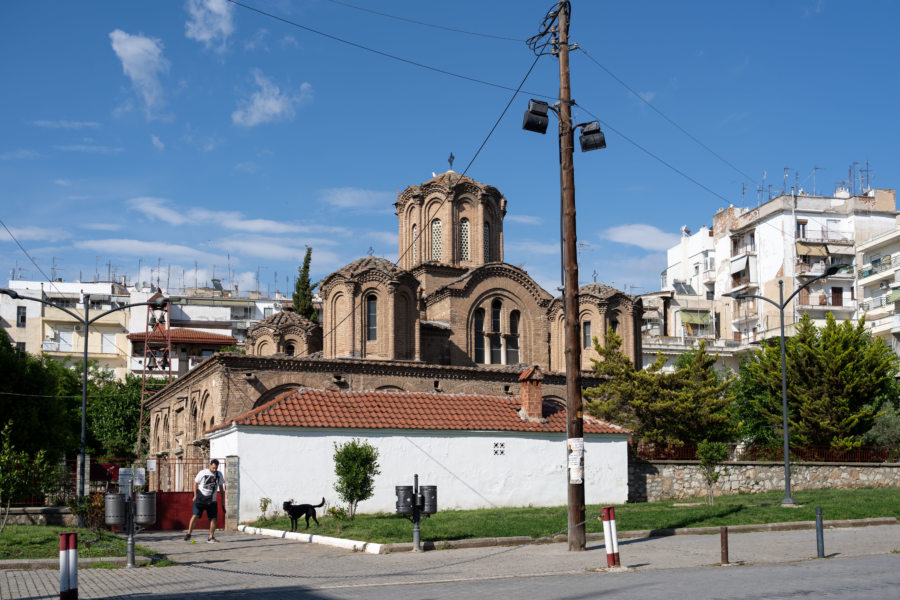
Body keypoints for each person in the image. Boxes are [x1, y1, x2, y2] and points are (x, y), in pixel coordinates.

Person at [184, 458, 225, 543]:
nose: (214, 469)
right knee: (195, 515)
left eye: (216, 468)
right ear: (209, 465)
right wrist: (195, 495)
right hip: (200, 498)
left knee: (213, 518)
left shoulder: (219, 474)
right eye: (213, 467)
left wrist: (222, 499)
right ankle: (189, 533)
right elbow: (195, 483)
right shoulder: (202, 473)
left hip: (212, 500)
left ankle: (211, 537)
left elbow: (221, 487)